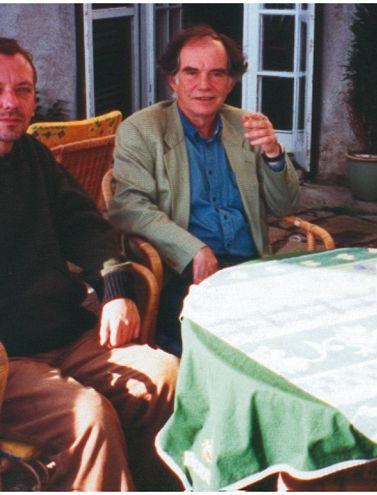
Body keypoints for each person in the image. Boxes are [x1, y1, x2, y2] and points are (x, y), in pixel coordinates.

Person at [0, 35, 179, 491]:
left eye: (22, 90)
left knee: (164, 377)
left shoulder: (33, 156)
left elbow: (85, 226)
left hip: (59, 337)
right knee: (87, 417)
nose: (10, 102)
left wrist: (115, 288)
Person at [108, 25, 300, 355]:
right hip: (183, 275)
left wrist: (273, 153)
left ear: (230, 82)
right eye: (191, 72)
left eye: (217, 74)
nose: (204, 85)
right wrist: (192, 249)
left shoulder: (245, 125)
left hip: (251, 269)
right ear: (173, 80)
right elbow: (129, 205)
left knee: (303, 324)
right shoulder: (141, 130)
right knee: (240, 342)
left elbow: (286, 205)